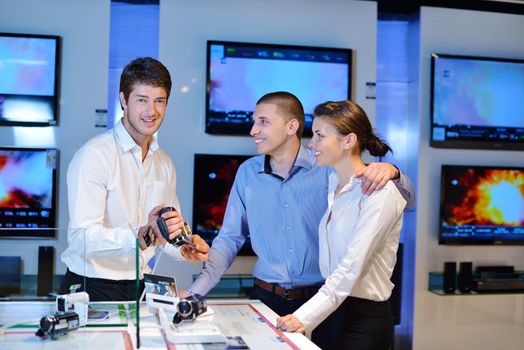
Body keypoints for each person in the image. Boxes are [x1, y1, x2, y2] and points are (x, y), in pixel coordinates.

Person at [184, 91, 414, 349]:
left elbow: (396, 199)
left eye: (263, 122)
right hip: (266, 297)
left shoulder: (329, 171)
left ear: (291, 126)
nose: (253, 130)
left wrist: (394, 172)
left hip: (324, 301)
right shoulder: (248, 173)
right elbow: (229, 239)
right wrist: (195, 293)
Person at [60, 57, 209, 301]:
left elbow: (164, 233)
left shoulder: (164, 163)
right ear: (123, 101)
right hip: (91, 285)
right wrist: (136, 237)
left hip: (140, 283)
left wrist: (184, 246)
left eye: (159, 101)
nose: (152, 111)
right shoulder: (93, 156)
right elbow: (81, 237)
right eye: (142, 100)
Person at [276, 100, 406, 349]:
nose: (311, 144)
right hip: (330, 311)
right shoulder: (333, 183)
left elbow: (351, 267)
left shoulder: (379, 193)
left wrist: (303, 317)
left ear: (348, 141)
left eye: (320, 135)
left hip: (363, 320)